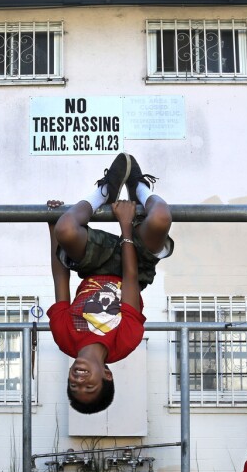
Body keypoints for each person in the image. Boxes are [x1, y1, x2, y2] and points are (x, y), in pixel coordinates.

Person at [47, 152, 173, 414]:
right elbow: (129, 279)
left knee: (66, 230)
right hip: (135, 267)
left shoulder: (64, 337)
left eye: (74, 387)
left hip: (94, 264)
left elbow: (61, 278)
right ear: (106, 376)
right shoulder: (124, 342)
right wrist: (126, 226)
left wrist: (54, 227)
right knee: (161, 218)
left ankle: (103, 193)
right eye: (89, 388)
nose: (79, 382)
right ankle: (140, 189)